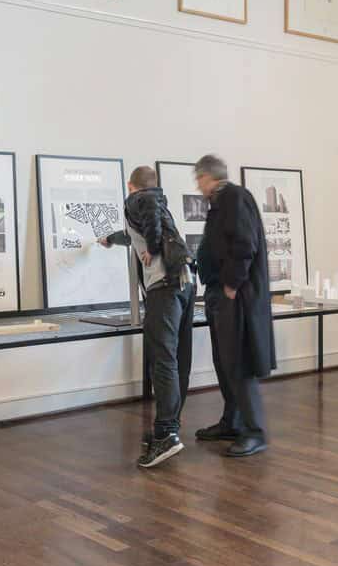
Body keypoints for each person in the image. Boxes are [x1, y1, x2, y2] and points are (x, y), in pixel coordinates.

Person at [99, 166, 196, 468]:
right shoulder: (158, 200)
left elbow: (148, 224)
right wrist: (111, 239)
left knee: (162, 359)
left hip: (164, 288)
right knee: (176, 357)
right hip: (184, 284)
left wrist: (152, 250)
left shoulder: (139, 200)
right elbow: (137, 232)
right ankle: (168, 426)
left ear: (131, 186)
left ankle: (166, 434)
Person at [192, 155, 275, 457]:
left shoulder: (234, 197)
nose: (197, 184)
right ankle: (232, 421)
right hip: (221, 294)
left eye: (198, 178)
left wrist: (231, 284)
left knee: (238, 362)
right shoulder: (220, 201)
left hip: (236, 297)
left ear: (208, 177)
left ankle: (255, 431)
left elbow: (245, 244)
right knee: (224, 361)